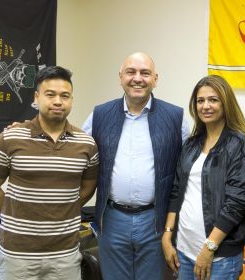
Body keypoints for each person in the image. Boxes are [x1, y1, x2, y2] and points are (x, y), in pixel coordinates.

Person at [0, 66, 99, 280]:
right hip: (17, 254)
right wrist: (16, 216)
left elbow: (88, 187)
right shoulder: (9, 138)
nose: (57, 101)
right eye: (50, 94)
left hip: (65, 255)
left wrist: (61, 210)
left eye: (65, 96)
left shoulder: (86, 144)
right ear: (36, 97)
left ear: (72, 99)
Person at [81, 52, 189, 279]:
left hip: (155, 221)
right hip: (112, 219)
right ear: (120, 77)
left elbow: (193, 162)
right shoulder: (100, 115)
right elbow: (73, 145)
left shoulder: (175, 117)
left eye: (145, 73)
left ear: (156, 79)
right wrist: (34, 128)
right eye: (131, 72)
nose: (137, 78)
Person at [161, 75, 245, 280]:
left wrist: (209, 249)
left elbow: (237, 203)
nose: (206, 106)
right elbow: (177, 190)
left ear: (226, 103)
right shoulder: (191, 144)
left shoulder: (239, 146)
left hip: (218, 258)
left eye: (213, 100)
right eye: (200, 100)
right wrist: (167, 235)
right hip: (184, 251)